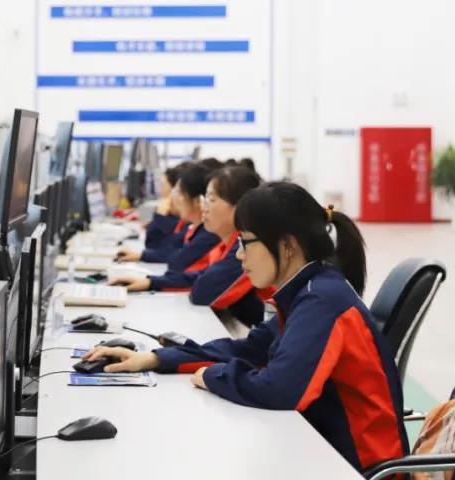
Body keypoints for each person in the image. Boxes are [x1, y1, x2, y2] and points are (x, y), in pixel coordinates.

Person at [85, 183, 408, 472]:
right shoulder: (307, 291)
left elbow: (279, 390)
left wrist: (212, 376)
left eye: (246, 242)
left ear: (287, 245)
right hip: (324, 449)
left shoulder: (320, 300)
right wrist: (155, 358)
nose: (239, 254)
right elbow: (247, 349)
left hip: (356, 467)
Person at [112, 165, 269, 327]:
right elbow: (199, 275)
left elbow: (203, 291)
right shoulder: (228, 245)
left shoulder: (247, 250)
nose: (203, 207)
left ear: (239, 207)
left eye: (211, 200)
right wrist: (151, 283)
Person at [116, 163, 219, 271]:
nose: (173, 195)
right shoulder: (191, 226)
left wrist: (161, 215)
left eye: (178, 191)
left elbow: (164, 251)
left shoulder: (206, 233)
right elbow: (170, 250)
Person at [143, 162, 190, 250]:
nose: (160, 191)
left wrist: (161, 217)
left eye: (163, 185)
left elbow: (153, 246)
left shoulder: (187, 223)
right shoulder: (175, 218)